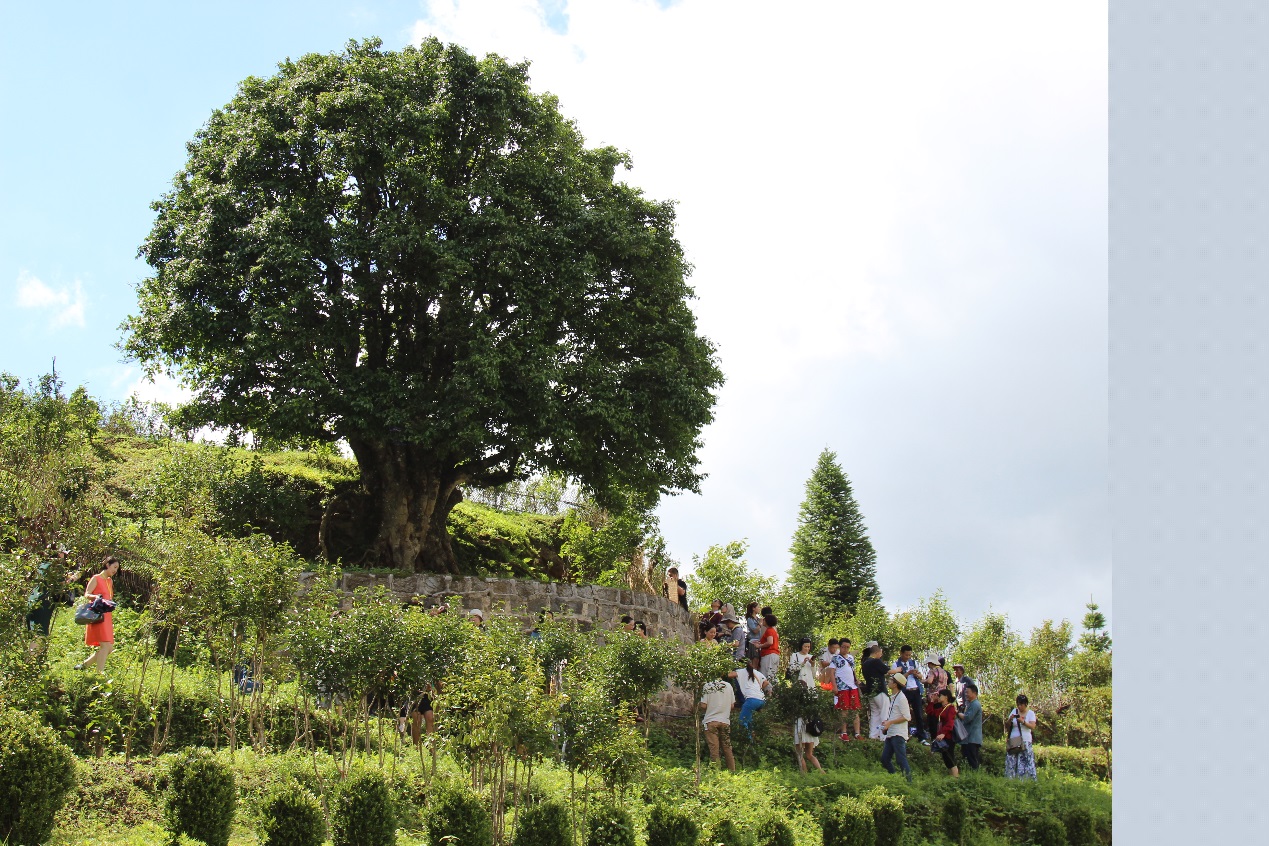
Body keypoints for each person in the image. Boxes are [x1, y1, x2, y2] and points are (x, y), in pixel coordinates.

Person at [77, 556, 119, 673]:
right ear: (107, 565)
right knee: (105, 646)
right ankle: (99, 675)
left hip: (107, 615)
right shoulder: (96, 578)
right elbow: (87, 594)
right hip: (97, 615)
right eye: (114, 567)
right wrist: (96, 597)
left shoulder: (109, 581)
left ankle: (84, 665)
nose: (115, 570)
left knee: (109, 648)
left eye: (117, 568)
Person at [879, 672, 913, 783]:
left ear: (895, 684)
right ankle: (896, 780)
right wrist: (887, 723)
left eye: (891, 680)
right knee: (885, 759)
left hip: (898, 734)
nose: (888, 682)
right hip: (891, 733)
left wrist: (891, 722)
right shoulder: (893, 697)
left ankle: (908, 783)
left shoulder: (901, 698)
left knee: (901, 759)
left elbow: (907, 717)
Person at [699, 675, 736, 771]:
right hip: (725, 721)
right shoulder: (728, 686)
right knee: (727, 748)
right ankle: (732, 771)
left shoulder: (708, 685)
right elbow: (732, 706)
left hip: (711, 720)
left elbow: (703, 705)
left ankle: (716, 772)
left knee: (714, 749)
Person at [830, 638, 862, 741]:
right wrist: (834, 686)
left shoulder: (851, 658)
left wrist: (857, 680)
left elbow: (853, 671)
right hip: (842, 687)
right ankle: (844, 732)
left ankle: (857, 733)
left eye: (848, 647)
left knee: (855, 710)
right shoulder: (835, 658)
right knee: (844, 710)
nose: (846, 649)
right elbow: (831, 672)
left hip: (852, 687)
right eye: (844, 647)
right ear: (840, 647)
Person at [893, 645, 927, 742]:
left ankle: (922, 737)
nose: (908, 657)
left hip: (915, 690)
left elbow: (921, 677)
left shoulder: (914, 663)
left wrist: (917, 674)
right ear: (901, 653)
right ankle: (904, 736)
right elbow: (897, 679)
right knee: (904, 714)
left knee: (919, 714)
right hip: (905, 691)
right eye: (906, 655)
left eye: (909, 655)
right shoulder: (896, 665)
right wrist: (907, 673)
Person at [732, 656, 771, 737]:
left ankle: (747, 741)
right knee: (749, 721)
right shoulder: (756, 672)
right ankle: (751, 742)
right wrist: (760, 688)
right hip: (761, 700)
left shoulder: (740, 671)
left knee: (742, 721)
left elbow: (728, 675)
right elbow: (766, 682)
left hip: (751, 700)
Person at [1005, 693, 1039, 780]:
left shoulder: (1030, 713)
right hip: (1014, 739)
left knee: (1025, 761)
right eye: (1018, 704)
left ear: (1025, 704)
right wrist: (1010, 719)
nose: (1019, 706)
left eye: (1021, 704)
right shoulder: (1014, 711)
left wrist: (1022, 721)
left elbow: (1032, 726)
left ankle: (1026, 780)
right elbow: (1007, 725)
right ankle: (1010, 779)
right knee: (1011, 760)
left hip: (1025, 739)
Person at [861, 641, 890, 740]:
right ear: (877, 652)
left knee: (874, 713)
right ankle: (883, 736)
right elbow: (887, 671)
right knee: (884, 712)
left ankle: (873, 735)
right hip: (880, 690)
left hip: (870, 691)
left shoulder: (865, 662)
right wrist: (899, 670)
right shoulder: (876, 661)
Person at [931, 688, 959, 777]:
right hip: (943, 737)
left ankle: (956, 778)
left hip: (948, 737)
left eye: (940, 695)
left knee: (950, 757)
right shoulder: (942, 708)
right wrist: (932, 701)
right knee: (946, 758)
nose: (938, 697)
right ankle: (952, 778)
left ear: (946, 697)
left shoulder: (950, 708)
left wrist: (944, 733)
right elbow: (931, 712)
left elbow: (950, 722)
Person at [959, 682, 984, 771]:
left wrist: (958, 714)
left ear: (974, 693)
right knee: (968, 760)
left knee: (972, 761)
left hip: (972, 738)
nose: (966, 694)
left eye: (968, 692)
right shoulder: (971, 704)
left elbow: (968, 718)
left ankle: (975, 779)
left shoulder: (975, 704)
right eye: (965, 692)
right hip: (968, 738)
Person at [923, 656, 949, 738]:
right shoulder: (944, 672)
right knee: (940, 718)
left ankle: (933, 737)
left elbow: (929, 681)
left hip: (933, 698)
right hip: (942, 698)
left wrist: (922, 680)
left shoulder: (932, 671)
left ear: (931, 663)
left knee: (932, 718)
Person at [756, 614, 780, 679]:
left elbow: (770, 642)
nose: (763, 620)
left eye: (764, 619)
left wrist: (759, 646)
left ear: (767, 621)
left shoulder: (769, 630)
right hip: (774, 655)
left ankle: (768, 689)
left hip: (769, 655)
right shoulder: (773, 630)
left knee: (766, 675)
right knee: (772, 675)